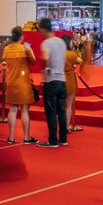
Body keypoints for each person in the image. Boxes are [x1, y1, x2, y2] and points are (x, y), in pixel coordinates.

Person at [3, 26, 38, 144]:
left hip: (11, 82)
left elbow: (5, 62)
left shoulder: (6, 49)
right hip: (23, 82)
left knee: (12, 110)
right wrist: (28, 49)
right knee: (24, 110)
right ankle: (27, 137)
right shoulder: (25, 49)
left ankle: (11, 137)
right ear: (22, 37)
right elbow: (33, 61)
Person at [38, 18, 68, 148]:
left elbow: (45, 57)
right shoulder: (61, 41)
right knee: (61, 111)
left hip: (51, 80)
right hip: (62, 80)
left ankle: (53, 140)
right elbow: (65, 59)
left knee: (51, 112)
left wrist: (44, 67)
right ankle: (63, 138)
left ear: (43, 29)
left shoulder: (46, 43)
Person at [63, 35, 82, 129]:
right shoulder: (71, 54)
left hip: (60, 79)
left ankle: (61, 126)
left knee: (61, 106)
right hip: (69, 80)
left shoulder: (59, 53)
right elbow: (80, 60)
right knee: (68, 105)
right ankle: (66, 127)